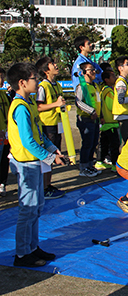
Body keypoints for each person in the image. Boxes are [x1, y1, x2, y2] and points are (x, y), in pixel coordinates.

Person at [7, 62, 66, 267]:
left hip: (34, 164)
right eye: (34, 78)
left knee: (37, 207)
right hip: (25, 165)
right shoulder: (20, 107)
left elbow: (39, 134)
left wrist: (52, 149)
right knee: (28, 209)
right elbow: (27, 141)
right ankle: (22, 254)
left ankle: (32, 247)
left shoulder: (30, 102)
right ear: (22, 83)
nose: (37, 81)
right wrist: (49, 158)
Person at [35, 56, 66, 199]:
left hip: (57, 124)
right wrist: (55, 105)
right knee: (47, 158)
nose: (56, 65)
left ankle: (48, 184)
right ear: (46, 70)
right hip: (47, 125)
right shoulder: (43, 86)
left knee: (54, 155)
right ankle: (44, 187)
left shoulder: (57, 85)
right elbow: (39, 106)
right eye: (52, 64)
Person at [75, 62, 102, 177]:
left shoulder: (94, 86)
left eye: (94, 70)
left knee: (93, 142)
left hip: (95, 119)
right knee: (87, 143)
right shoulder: (82, 86)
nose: (93, 72)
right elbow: (78, 102)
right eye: (90, 70)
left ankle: (90, 165)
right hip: (86, 119)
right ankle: (84, 167)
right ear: (84, 72)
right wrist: (90, 111)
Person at [98, 70, 119, 171]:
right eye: (113, 76)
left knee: (104, 144)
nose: (115, 77)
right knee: (114, 145)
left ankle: (100, 161)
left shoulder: (104, 90)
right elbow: (111, 106)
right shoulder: (109, 92)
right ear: (106, 79)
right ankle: (115, 165)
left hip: (106, 123)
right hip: (111, 123)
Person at [0, 67, 12, 197]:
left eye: (2, 77)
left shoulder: (4, 95)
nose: (1, 80)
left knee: (4, 160)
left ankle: (2, 183)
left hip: (6, 134)